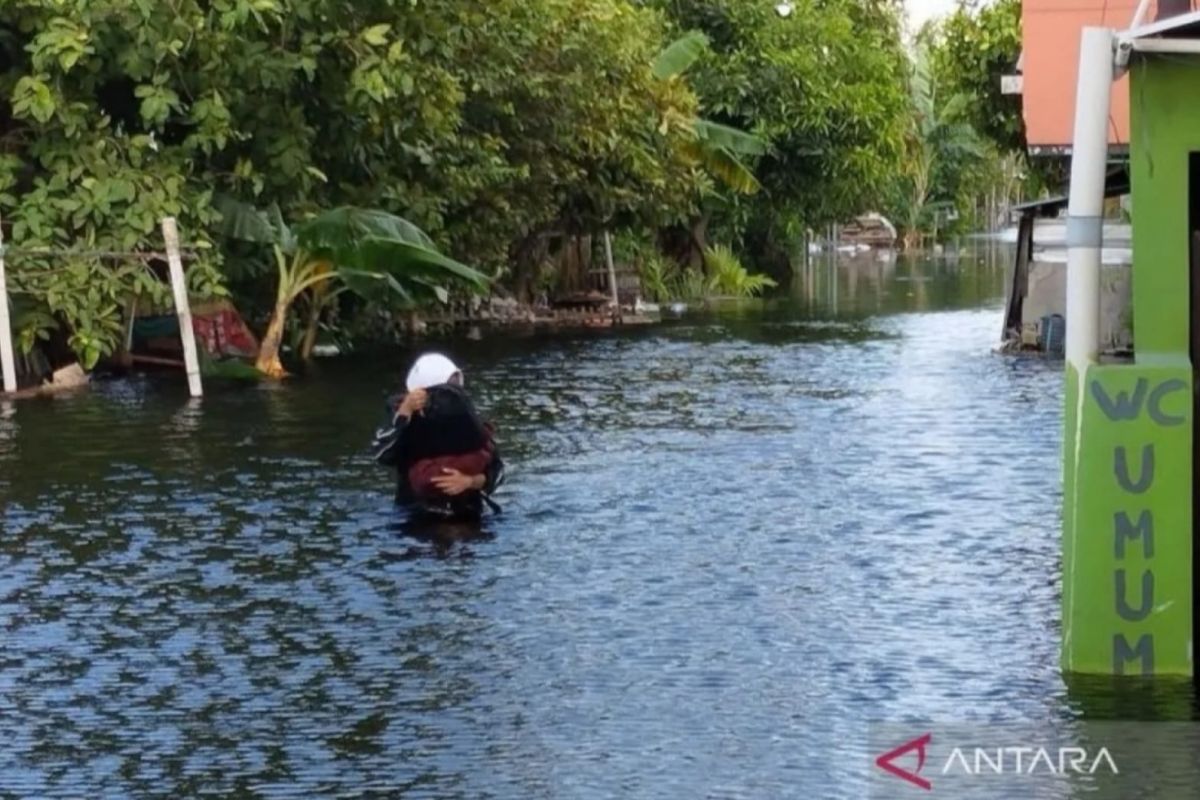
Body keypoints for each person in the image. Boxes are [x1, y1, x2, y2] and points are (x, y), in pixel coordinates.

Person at [371, 353, 504, 518]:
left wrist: (470, 481)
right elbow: (381, 454)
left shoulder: (469, 423)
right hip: (416, 513)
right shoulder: (405, 424)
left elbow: (498, 471)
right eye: (448, 386)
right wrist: (404, 411)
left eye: (456, 386)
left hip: (467, 512)